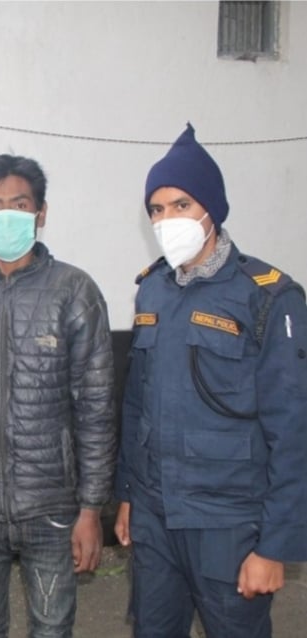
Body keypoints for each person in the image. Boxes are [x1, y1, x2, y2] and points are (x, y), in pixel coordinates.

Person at [114, 124, 307, 637]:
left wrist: (275, 546)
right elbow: (135, 404)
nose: (167, 220)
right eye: (157, 209)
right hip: (156, 517)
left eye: (181, 205)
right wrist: (128, 493)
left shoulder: (267, 296)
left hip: (229, 525)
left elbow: (293, 429)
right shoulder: (152, 290)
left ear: (212, 210)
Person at [0, 154, 117, 638]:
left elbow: (97, 409)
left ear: (41, 213)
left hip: (52, 506)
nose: (5, 215)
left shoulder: (74, 291)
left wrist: (91, 510)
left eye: (19, 205)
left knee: (52, 628)